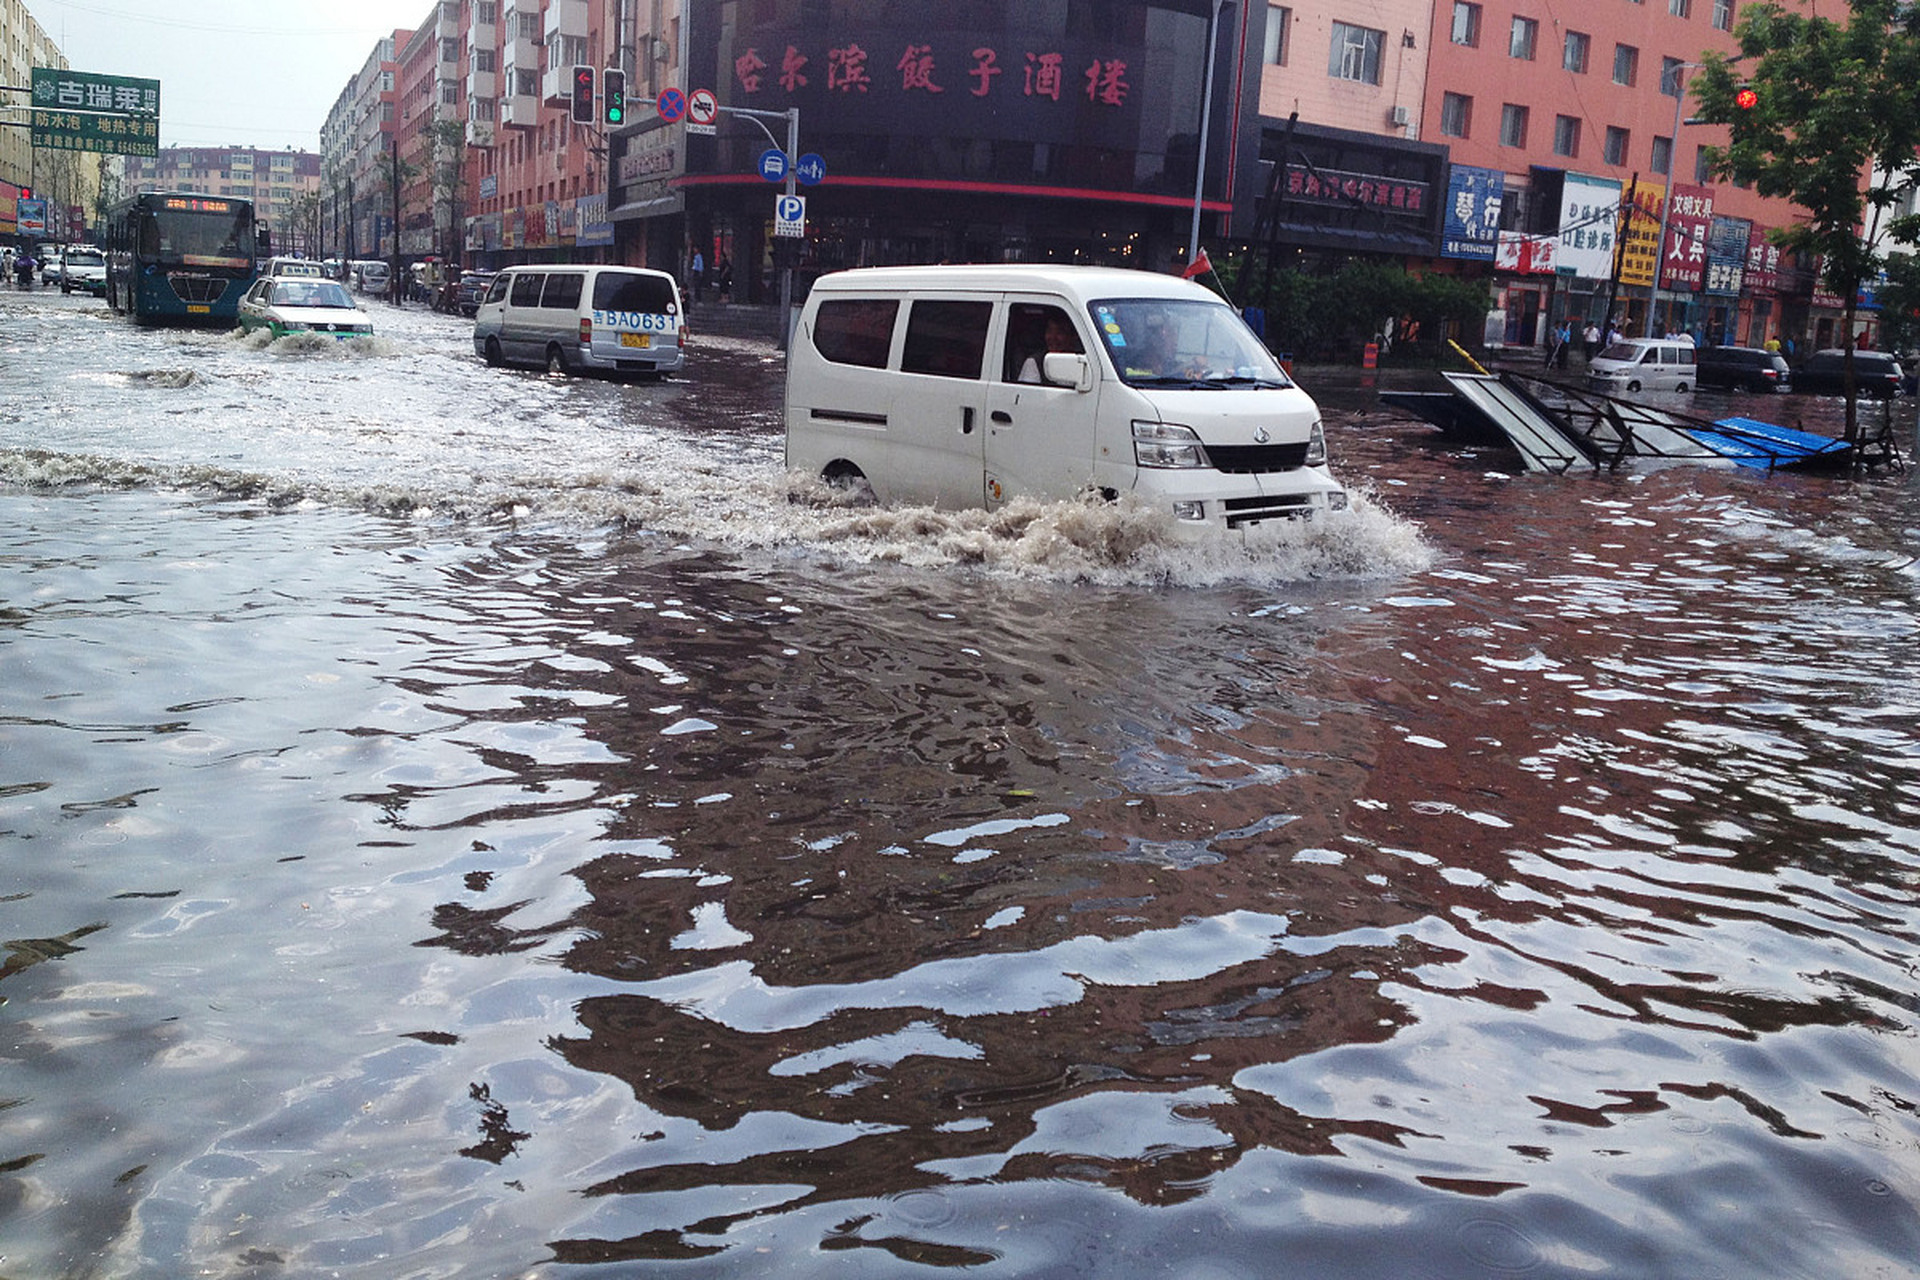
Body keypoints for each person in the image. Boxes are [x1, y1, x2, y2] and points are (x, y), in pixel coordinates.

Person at [1018, 311, 1082, 383]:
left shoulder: (1082, 362)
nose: (1053, 338)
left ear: (1073, 336)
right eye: (1049, 331)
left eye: (1059, 332)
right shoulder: (1034, 363)